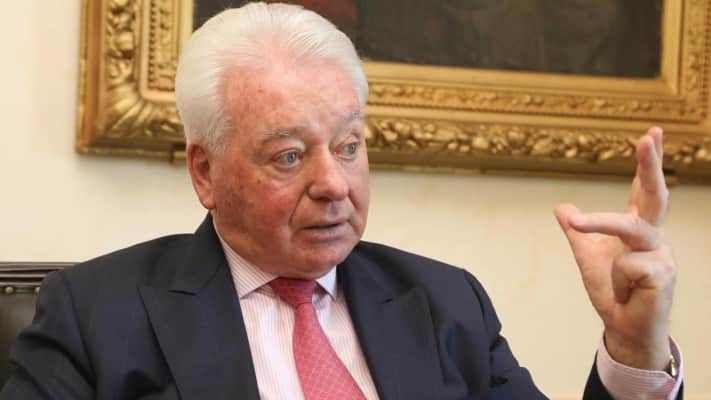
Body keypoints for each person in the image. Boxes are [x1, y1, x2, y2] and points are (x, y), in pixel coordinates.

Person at [1, 2, 682, 399]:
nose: (333, 183)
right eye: (289, 155)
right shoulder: (96, 314)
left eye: (349, 145)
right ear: (205, 172)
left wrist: (632, 348)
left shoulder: (443, 304)